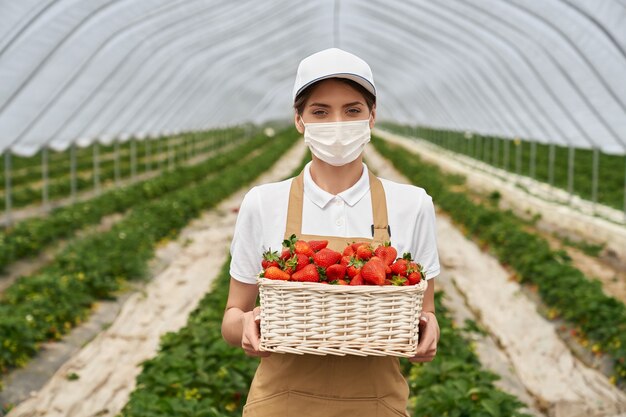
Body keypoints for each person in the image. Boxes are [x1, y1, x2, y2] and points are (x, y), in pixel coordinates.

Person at [221, 47, 440, 417]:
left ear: (372, 117)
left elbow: (426, 313)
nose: (337, 123)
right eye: (320, 111)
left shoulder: (413, 204)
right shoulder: (262, 202)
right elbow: (232, 315)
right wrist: (245, 325)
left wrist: (427, 334)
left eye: (352, 110)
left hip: (376, 405)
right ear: (299, 120)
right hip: (280, 403)